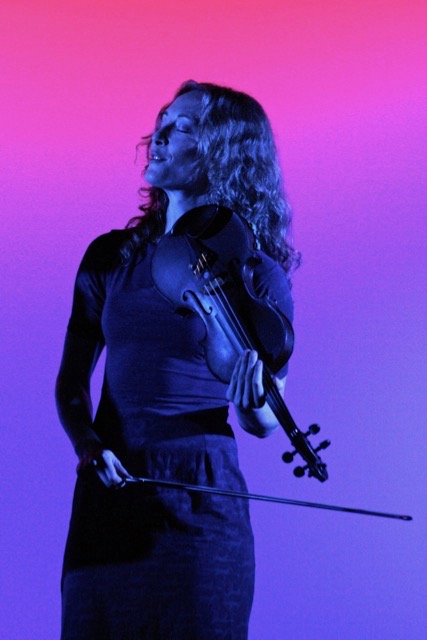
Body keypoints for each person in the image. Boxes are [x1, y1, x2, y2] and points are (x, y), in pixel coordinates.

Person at [56, 80, 299, 640]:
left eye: (183, 126)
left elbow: (264, 422)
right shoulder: (110, 257)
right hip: (110, 491)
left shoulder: (257, 276)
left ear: (222, 152)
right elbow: (71, 383)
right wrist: (89, 446)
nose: (158, 136)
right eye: (161, 120)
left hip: (201, 497)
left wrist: (254, 403)